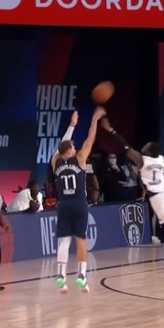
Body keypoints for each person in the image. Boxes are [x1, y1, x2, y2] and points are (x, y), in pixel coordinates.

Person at [98, 116, 164, 265]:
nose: (144, 147)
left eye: (147, 146)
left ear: (150, 150)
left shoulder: (141, 159)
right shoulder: (162, 159)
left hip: (158, 196)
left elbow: (125, 146)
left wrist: (111, 130)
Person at [51, 109, 103, 294]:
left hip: (63, 205)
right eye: (73, 147)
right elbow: (90, 138)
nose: (75, 149)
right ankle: (81, 275)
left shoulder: (55, 161)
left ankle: (61, 275)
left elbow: (60, 147)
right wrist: (94, 119)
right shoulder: (80, 159)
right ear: (70, 150)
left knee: (63, 241)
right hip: (79, 204)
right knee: (81, 239)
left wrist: (72, 126)